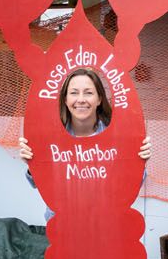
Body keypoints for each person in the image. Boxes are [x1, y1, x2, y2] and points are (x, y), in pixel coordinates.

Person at [20, 67, 151, 179]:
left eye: (88, 93)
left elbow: (130, 185)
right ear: (65, 99)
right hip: (60, 209)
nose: (81, 100)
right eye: (74, 93)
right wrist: (33, 164)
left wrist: (139, 163)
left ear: (99, 99)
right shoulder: (50, 137)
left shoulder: (118, 138)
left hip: (103, 208)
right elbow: (39, 184)